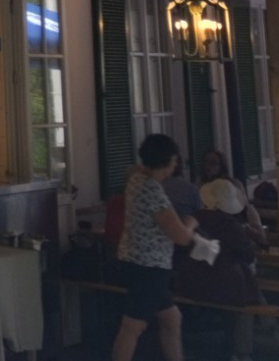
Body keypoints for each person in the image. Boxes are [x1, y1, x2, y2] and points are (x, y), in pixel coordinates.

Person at [112, 134, 217, 361]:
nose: (176, 163)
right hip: (149, 266)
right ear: (168, 161)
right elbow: (179, 236)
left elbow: (134, 168)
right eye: (174, 159)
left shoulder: (136, 178)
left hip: (135, 259)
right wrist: (191, 222)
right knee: (133, 326)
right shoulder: (152, 190)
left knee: (171, 318)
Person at [176, 179, 263, 361]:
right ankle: (241, 351)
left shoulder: (192, 218)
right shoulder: (230, 225)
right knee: (246, 299)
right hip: (224, 285)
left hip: (190, 282)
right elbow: (248, 253)